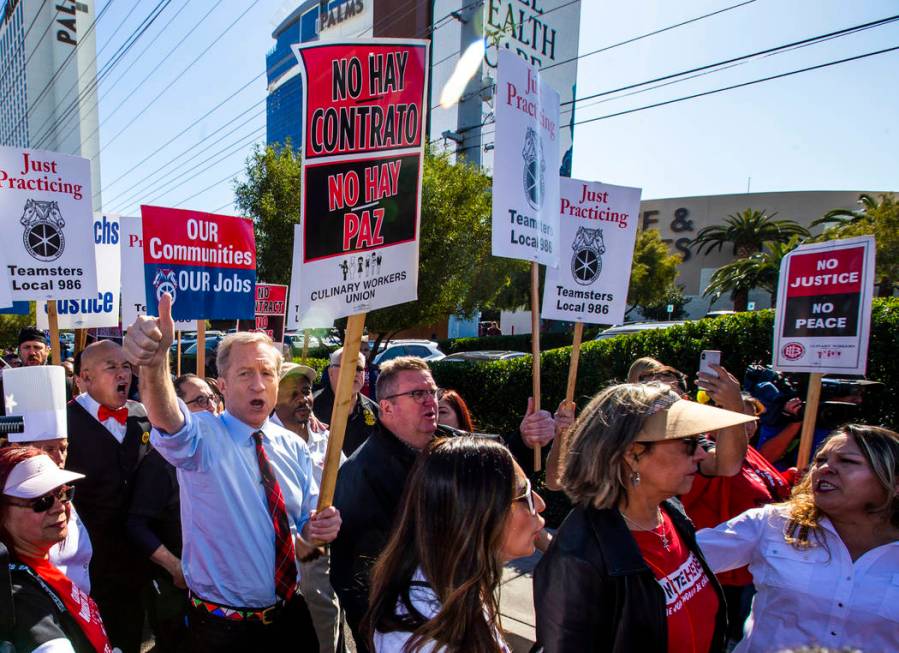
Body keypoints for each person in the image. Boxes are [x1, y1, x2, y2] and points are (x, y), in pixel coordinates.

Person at [123, 294, 341, 652]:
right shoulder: (203, 437)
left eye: (267, 374)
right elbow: (168, 420)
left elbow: (305, 527)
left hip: (290, 619)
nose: (258, 384)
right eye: (244, 374)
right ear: (221, 384)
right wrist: (154, 364)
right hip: (222, 632)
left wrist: (323, 527)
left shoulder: (294, 447)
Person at [331, 357, 556, 652]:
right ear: (386, 406)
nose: (431, 401)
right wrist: (378, 631)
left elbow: (493, 478)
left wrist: (525, 442)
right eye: (417, 394)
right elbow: (357, 574)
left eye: (432, 392)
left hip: (461, 598)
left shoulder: (447, 442)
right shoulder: (361, 473)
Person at [534, 383, 754, 652]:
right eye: (688, 442)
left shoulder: (672, 513)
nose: (700, 454)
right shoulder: (578, 557)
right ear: (632, 454)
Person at [697, 424, 899, 652]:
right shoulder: (771, 524)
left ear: (894, 483)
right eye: (821, 460)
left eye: (847, 461)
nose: (825, 469)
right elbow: (676, 560)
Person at [364, 437, 546, 652]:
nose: (541, 504)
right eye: (523, 494)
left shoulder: (457, 585)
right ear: (475, 512)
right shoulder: (421, 637)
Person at [65, 339, 152, 653]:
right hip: (89, 563)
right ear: (85, 378)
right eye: (111, 367)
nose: (123, 374)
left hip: (139, 558)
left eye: (126, 366)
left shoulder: (142, 415)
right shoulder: (65, 424)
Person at [1, 447, 113, 652]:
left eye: (62, 494)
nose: (59, 507)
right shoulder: (14, 592)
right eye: (41, 501)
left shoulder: (39, 565)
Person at [274, 362, 346, 653]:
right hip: (276, 553)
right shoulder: (260, 441)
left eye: (305, 391)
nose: (302, 398)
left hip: (317, 551)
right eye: (291, 393)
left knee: (325, 615)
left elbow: (347, 486)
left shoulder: (327, 440)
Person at [4, 366, 94, 594]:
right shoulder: (13, 503)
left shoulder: (65, 488)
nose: (58, 457)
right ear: (20, 451)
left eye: (63, 447)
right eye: (48, 449)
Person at [313, 347, 379, 456]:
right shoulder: (312, 408)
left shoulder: (375, 411)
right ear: (330, 372)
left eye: (359, 368)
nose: (354, 373)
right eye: (347, 367)